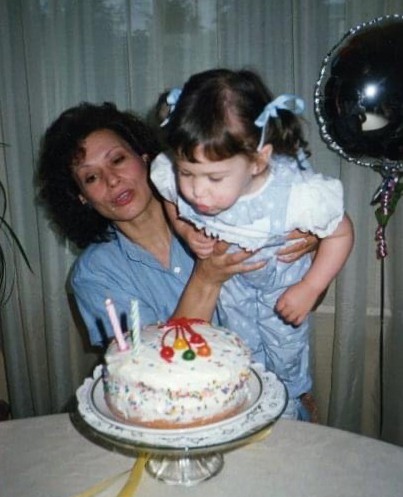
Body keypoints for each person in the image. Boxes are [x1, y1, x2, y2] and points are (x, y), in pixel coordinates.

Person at [150, 68, 354, 420]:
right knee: (242, 356)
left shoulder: (296, 195)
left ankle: (291, 409)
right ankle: (252, 412)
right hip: (232, 287)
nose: (197, 191)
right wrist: (184, 230)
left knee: (285, 355)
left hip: (282, 286)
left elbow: (341, 232)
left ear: (259, 161)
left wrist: (311, 286)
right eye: (187, 173)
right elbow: (169, 197)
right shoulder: (173, 177)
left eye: (214, 177)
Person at [36, 101, 316, 356]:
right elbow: (148, 365)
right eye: (91, 177)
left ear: (145, 157)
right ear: (82, 196)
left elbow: (298, 303)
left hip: (273, 390)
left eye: (118, 160)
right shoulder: (95, 274)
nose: (112, 180)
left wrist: (302, 253)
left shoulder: (220, 211)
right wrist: (206, 279)